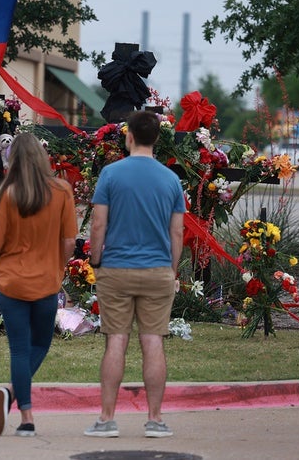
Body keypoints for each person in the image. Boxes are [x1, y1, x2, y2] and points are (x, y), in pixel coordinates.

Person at [84, 110, 184, 439]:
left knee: (116, 341)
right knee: (153, 342)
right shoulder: (171, 180)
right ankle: (155, 420)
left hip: (116, 269)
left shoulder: (111, 175)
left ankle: (107, 419)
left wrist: (96, 260)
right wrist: (170, 272)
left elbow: (99, 224)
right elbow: (177, 234)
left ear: (128, 136)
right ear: (156, 138)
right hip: (156, 270)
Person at [0, 132, 78, 437]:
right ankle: (12, 396)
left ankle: (25, 416)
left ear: (12, 161)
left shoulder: (7, 194)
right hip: (46, 281)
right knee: (40, 344)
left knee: (19, 349)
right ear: (42, 157)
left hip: (11, 282)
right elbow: (69, 241)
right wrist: (59, 267)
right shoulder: (62, 191)